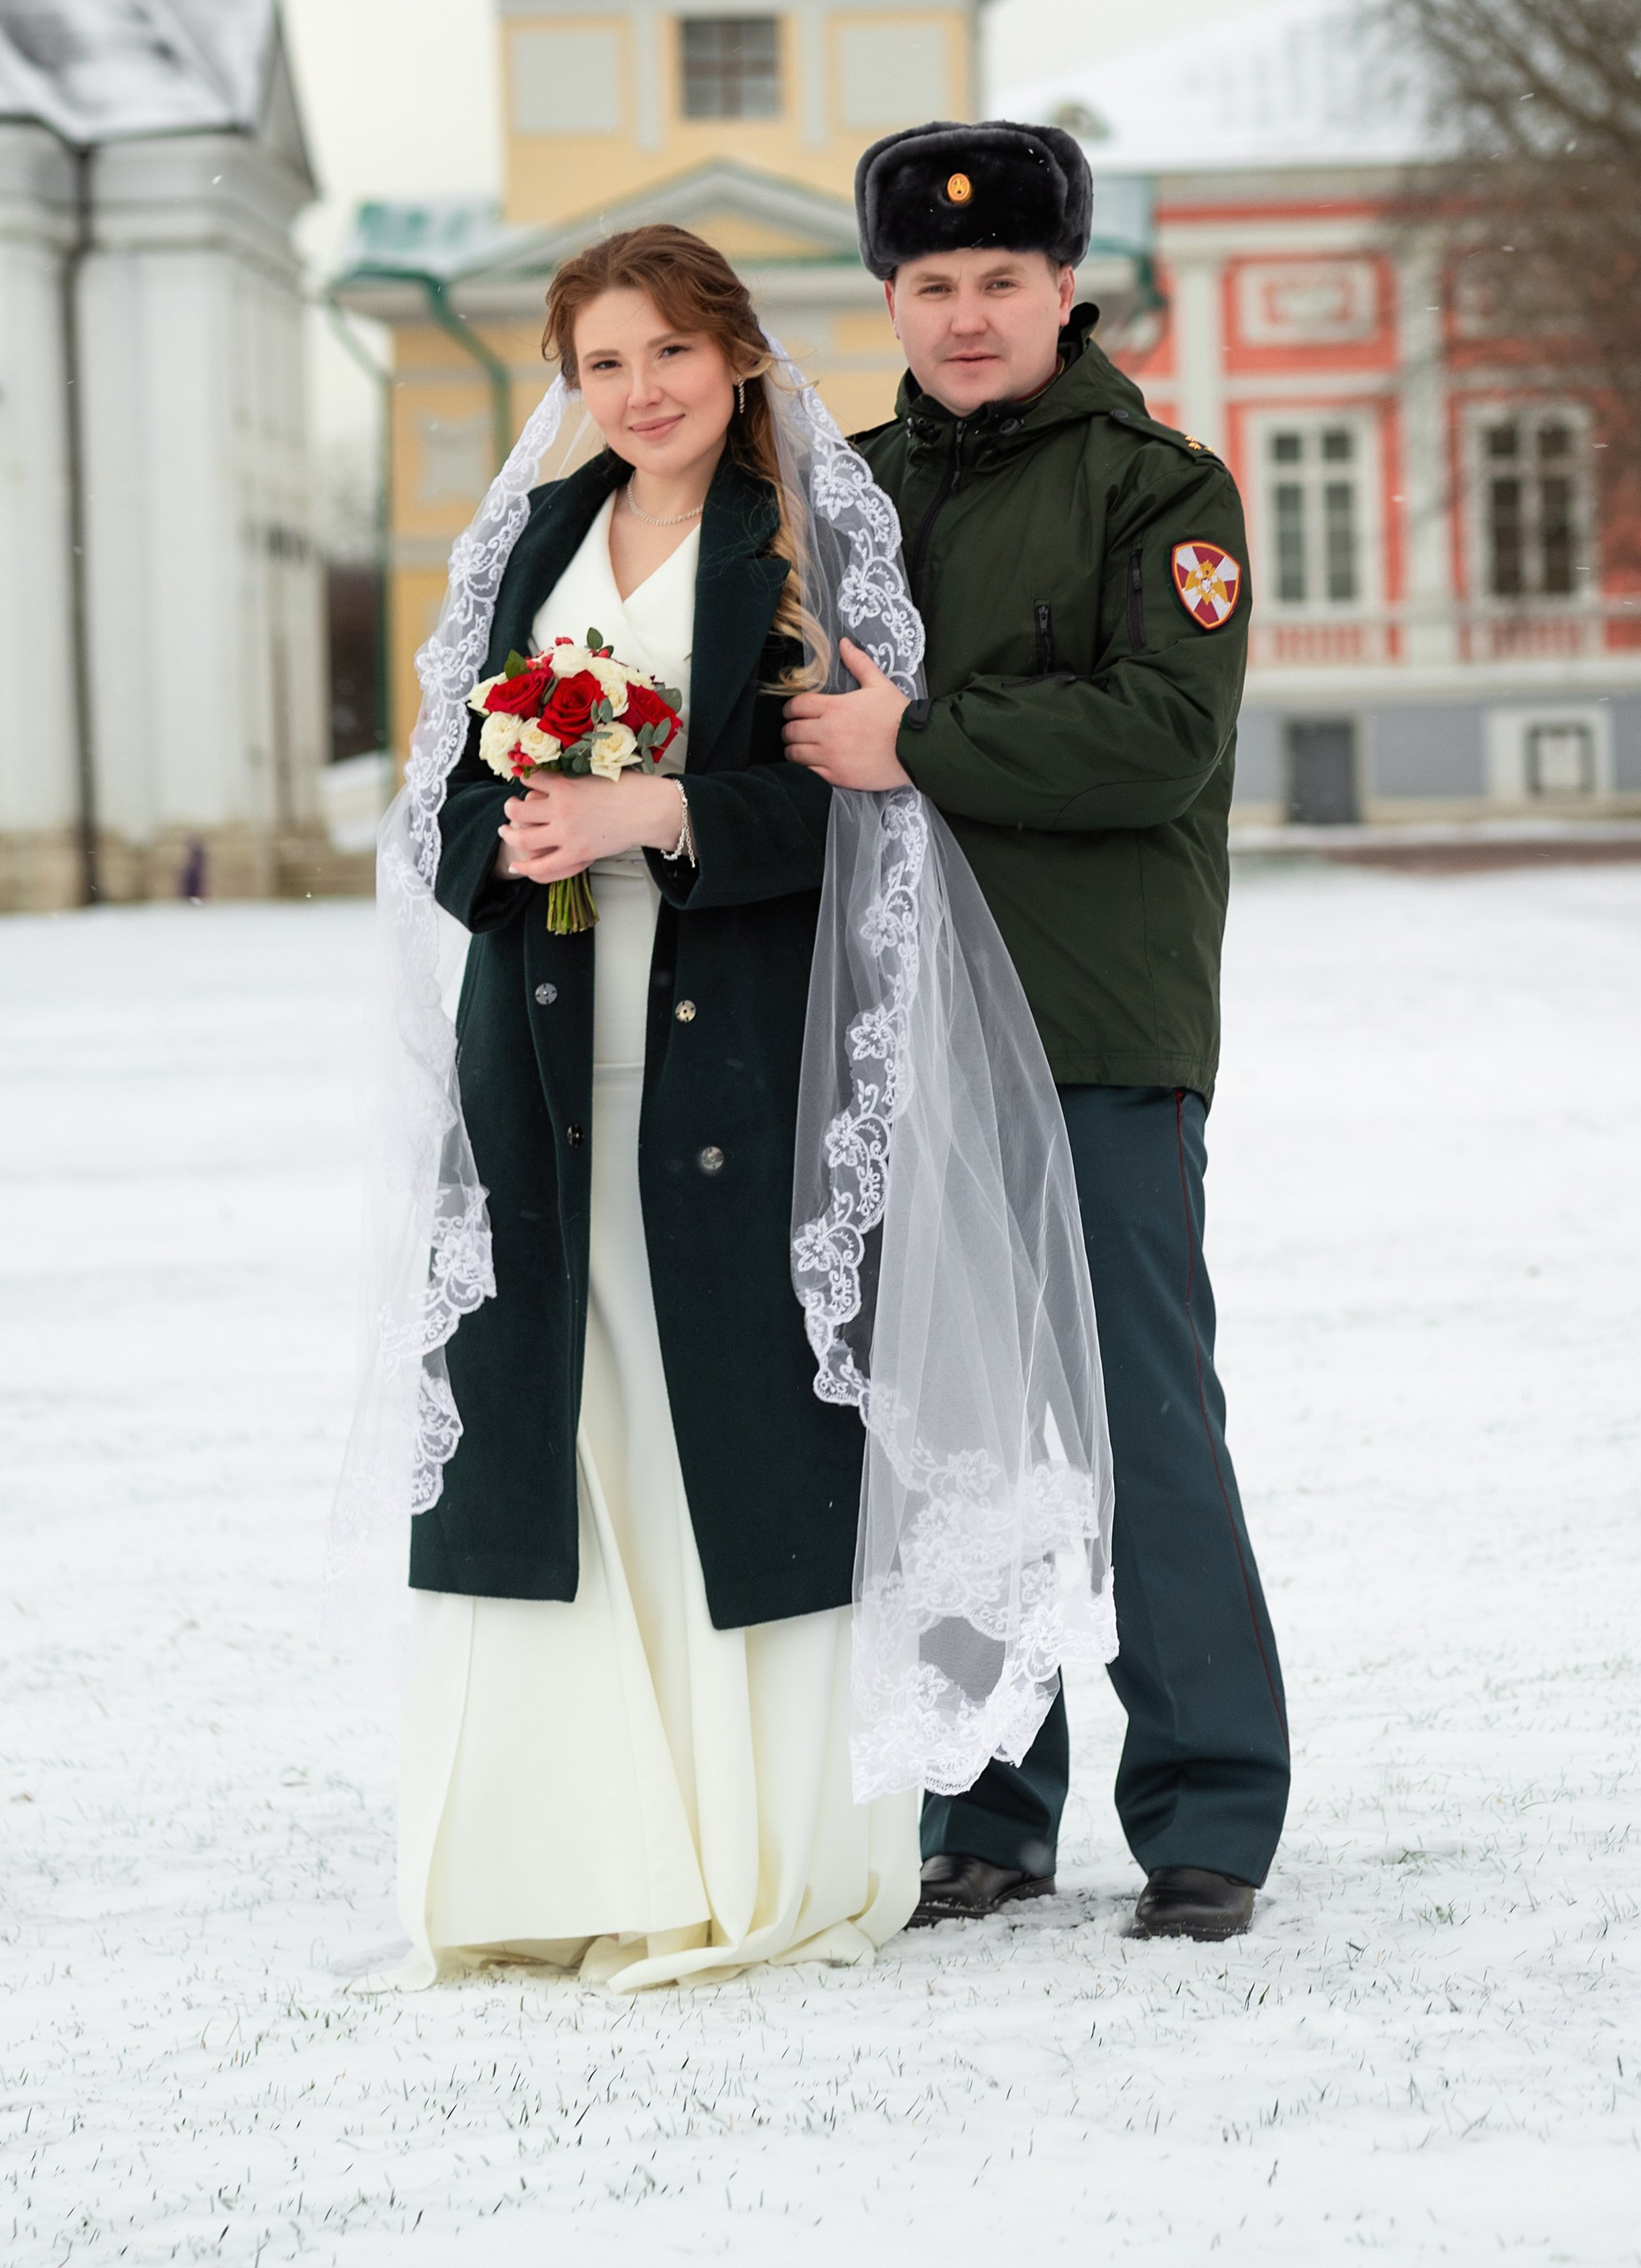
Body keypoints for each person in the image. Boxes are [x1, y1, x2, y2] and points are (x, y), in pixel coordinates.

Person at [357, 225, 1113, 1994]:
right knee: (569, 1430)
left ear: (736, 355)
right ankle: (565, 1853)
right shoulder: (535, 539)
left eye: (669, 355)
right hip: (543, 1050)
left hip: (738, 1050)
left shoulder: (807, 543)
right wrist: (522, 834)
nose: (639, 392)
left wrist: (651, 819)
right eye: (603, 363)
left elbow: (856, 809)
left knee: (726, 1435)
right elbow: (441, 805)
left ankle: (751, 1861)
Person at [783, 119, 1289, 1948]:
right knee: (946, 1429)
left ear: (1064, 286)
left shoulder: (1159, 491)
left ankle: (1207, 1814)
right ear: (891, 299)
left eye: (1002, 279)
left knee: (1138, 1424)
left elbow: (1161, 734)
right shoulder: (837, 497)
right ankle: (981, 1816)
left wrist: (914, 737)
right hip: (899, 1032)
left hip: (1089, 1021)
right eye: (932, 283)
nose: (968, 311)